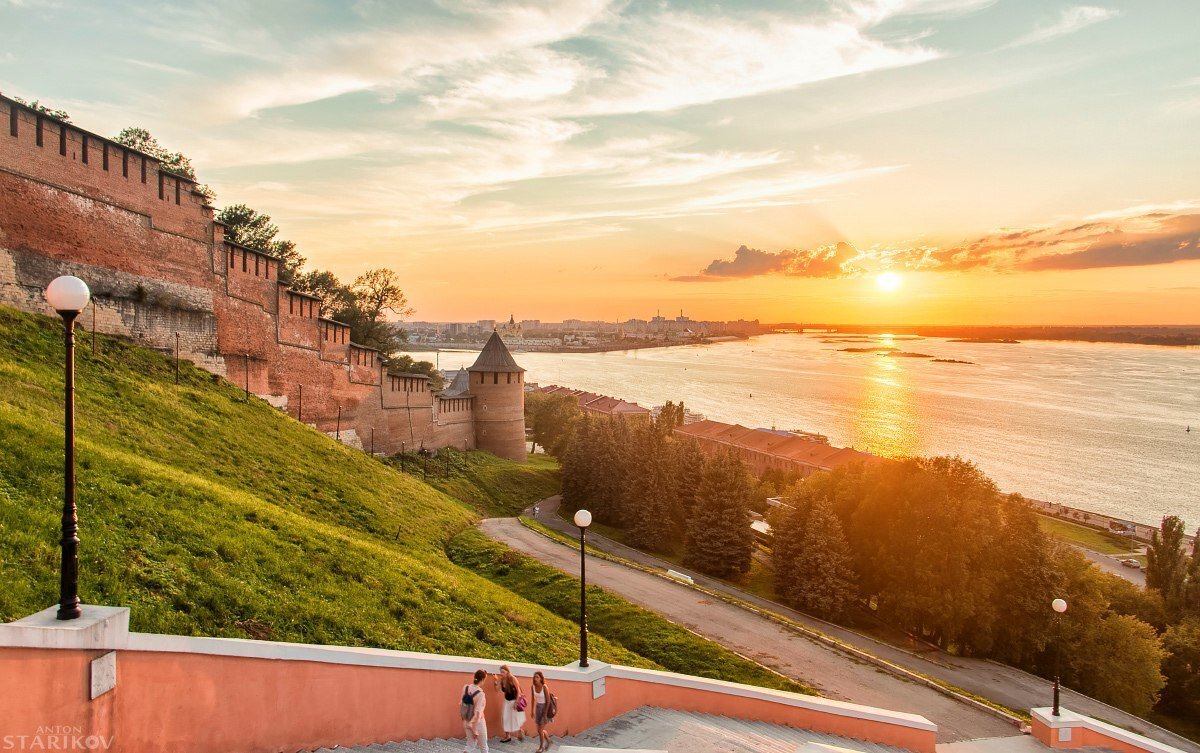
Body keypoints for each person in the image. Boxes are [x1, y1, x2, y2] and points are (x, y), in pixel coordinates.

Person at [494, 664, 525, 743]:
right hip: (507, 702)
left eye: (503, 672)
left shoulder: (512, 678)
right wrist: (496, 681)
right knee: (505, 718)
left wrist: (516, 702)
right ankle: (507, 736)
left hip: (514, 701)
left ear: (507, 672)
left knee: (515, 718)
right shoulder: (502, 680)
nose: (501, 674)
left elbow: (518, 690)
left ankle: (520, 731)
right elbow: (497, 690)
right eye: (501, 672)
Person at [460, 669, 489, 753]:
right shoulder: (480, 694)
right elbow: (478, 712)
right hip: (477, 723)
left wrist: (465, 720)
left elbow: (461, 703)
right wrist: (475, 729)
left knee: (470, 745)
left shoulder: (466, 687)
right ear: (483, 680)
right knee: (484, 747)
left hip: (466, 720)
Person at [531, 671, 555, 753]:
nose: (535, 679)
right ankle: (548, 740)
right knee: (539, 729)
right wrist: (532, 710)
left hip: (545, 708)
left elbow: (548, 701)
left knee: (540, 730)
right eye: (534, 677)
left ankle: (541, 747)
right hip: (538, 708)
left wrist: (545, 714)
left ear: (541, 678)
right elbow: (533, 699)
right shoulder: (533, 687)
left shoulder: (544, 687)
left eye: (537, 677)